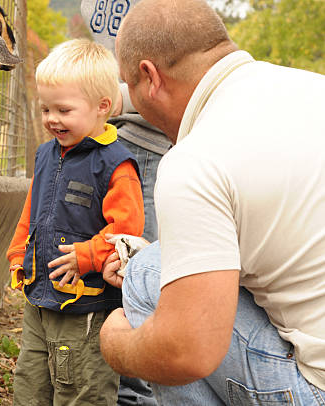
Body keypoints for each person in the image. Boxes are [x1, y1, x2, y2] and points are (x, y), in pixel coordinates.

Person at [99, 0, 325, 404]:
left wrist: (116, 343)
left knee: (149, 271)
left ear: (149, 77)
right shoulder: (311, 87)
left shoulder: (194, 161)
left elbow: (188, 351)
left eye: (127, 84)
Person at [6, 38, 145, 405]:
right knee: (30, 381)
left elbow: (126, 230)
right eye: (45, 109)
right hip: (39, 299)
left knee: (81, 388)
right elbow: (32, 211)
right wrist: (20, 252)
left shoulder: (115, 165)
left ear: (103, 106)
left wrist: (87, 256)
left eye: (64, 110)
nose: (52, 119)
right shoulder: (45, 154)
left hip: (86, 304)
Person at [81, 1, 168, 404]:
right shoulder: (89, 4)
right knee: (112, 264)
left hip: (148, 140)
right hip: (109, 137)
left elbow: (172, 74)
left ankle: (135, 395)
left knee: (134, 269)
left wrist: (110, 99)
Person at [81, 0, 172, 244]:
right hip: (107, 130)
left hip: (147, 136)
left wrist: (120, 98)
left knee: (138, 246)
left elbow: (174, 72)